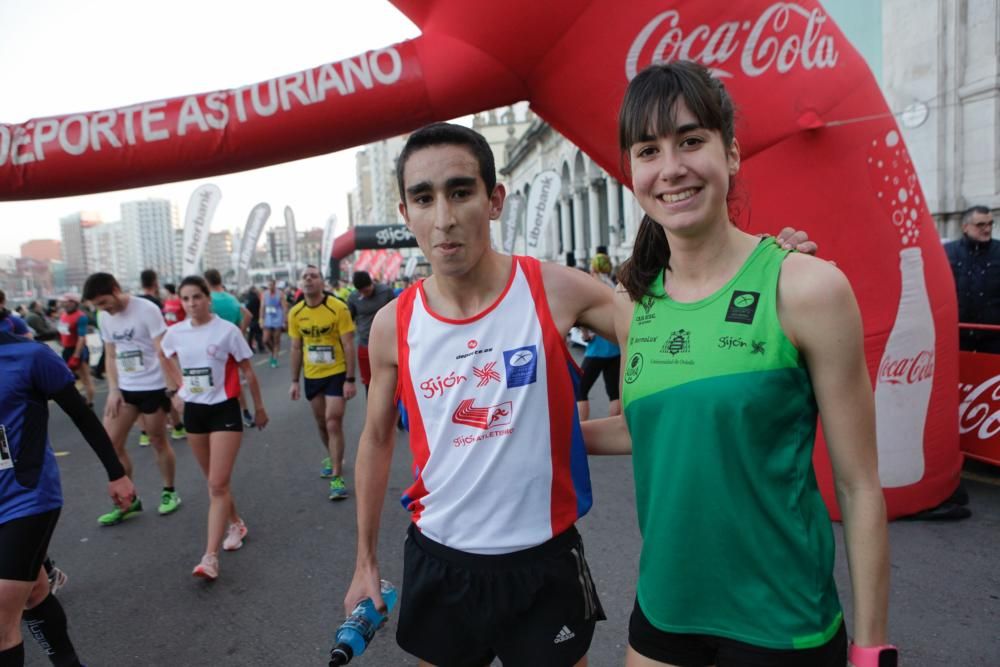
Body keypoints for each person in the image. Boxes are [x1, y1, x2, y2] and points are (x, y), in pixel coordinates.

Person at [343, 121, 820, 666]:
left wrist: (765, 274)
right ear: (405, 214)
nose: (444, 218)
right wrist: (364, 561)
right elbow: (376, 439)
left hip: (542, 563)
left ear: (494, 199)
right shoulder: (392, 324)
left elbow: (683, 322)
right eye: (423, 199)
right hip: (441, 561)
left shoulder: (553, 288)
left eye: (460, 191)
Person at [581, 61, 893, 667]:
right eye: (649, 150)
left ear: (731, 155)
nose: (671, 168)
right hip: (664, 615)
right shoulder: (633, 306)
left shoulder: (806, 288)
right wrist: (538, 434)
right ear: (632, 173)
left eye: (691, 141)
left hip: (781, 626)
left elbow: (859, 486)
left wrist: (872, 649)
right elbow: (663, 426)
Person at [0, 330, 136, 667]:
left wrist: (116, 473)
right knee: (33, 593)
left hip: (27, 497)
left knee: (1, 616)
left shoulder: (31, 356)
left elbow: (82, 415)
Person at [159, 276, 268, 580]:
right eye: (185, 299)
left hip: (225, 410)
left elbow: (248, 370)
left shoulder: (227, 331)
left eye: (197, 297)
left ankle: (210, 558)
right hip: (195, 412)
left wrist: (258, 408)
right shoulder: (176, 332)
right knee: (213, 482)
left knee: (217, 484)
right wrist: (178, 388)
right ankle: (236, 523)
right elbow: (163, 353)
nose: (191, 304)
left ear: (208, 298)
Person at [82, 272, 182, 526]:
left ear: (116, 289)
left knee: (158, 440)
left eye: (104, 302)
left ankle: (169, 491)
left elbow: (163, 350)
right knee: (111, 445)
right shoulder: (104, 317)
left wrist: (173, 390)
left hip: (153, 387)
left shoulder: (146, 309)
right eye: (97, 306)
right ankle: (128, 500)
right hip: (125, 390)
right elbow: (111, 354)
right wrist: (114, 389)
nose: (102, 309)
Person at [287, 264, 357, 500]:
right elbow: (296, 348)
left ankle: (337, 477)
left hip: (336, 372)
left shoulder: (337, 307)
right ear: (300, 283)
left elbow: (348, 343)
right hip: (312, 375)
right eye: (305, 277)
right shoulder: (295, 313)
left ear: (322, 282)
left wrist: (350, 379)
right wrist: (294, 381)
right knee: (320, 422)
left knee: (332, 421)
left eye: (313, 276)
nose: (309, 280)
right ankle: (333, 454)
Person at [945, 205, 1000, 353]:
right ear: (965, 227)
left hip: (994, 339)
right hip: (958, 336)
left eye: (990, 224)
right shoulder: (948, 252)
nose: (987, 229)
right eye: (980, 225)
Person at [204, 269, 255, 427]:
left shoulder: (209, 300)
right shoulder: (231, 298)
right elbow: (248, 315)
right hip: (231, 343)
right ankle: (245, 412)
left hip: (212, 344)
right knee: (235, 378)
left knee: (213, 381)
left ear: (206, 282)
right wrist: (239, 331)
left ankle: (218, 416)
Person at [576, 253, 622, 422]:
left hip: (597, 348)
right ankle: (614, 429)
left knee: (580, 389)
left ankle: (582, 431)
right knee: (614, 394)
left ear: (593, 267)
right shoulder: (614, 284)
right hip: (614, 345)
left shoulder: (592, 285)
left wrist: (585, 334)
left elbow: (583, 312)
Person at [346, 271, 395, 393]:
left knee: (392, 380)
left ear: (372, 283)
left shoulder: (386, 292)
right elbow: (349, 319)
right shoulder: (353, 298)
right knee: (369, 383)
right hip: (365, 344)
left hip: (388, 344)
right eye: (362, 292)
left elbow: (397, 313)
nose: (365, 294)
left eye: (367, 290)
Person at [56, 294, 95, 408]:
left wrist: (76, 355)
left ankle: (89, 402)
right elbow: (62, 333)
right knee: (67, 379)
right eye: (63, 302)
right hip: (67, 350)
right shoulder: (63, 315)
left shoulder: (81, 316)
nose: (63, 304)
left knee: (85, 378)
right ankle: (80, 400)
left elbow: (81, 337)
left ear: (73, 302)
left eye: (66, 302)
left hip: (78, 350)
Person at [260, 279, 286, 368]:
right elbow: (262, 307)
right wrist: (261, 319)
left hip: (278, 318)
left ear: (275, 285)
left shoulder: (280, 294)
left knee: (276, 340)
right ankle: (273, 352)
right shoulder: (265, 294)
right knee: (265, 340)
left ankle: (274, 359)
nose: (270, 286)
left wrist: (284, 321)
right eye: (269, 285)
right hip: (268, 318)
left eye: (271, 285)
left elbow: (284, 307)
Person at [244, 285, 263, 354]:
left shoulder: (247, 297)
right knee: (259, 334)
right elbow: (260, 307)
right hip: (256, 317)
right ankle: (261, 347)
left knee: (251, 335)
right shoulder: (255, 298)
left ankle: (250, 348)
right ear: (253, 290)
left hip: (249, 318)